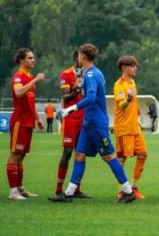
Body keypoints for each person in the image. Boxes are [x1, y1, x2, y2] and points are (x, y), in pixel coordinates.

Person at [50, 44, 136, 204]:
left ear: (82, 57)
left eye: (79, 56)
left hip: (96, 123)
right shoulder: (93, 73)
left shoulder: (90, 75)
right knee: (80, 155)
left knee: (109, 156)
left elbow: (90, 98)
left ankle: (128, 191)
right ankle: (68, 194)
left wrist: (68, 110)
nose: (77, 58)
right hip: (88, 123)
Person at [6, 48, 44, 200]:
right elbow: (18, 93)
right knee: (15, 154)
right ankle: (12, 191)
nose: (33, 60)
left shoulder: (29, 76)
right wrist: (35, 80)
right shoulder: (18, 77)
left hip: (28, 122)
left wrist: (38, 118)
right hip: (19, 121)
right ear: (21, 60)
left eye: (33, 58)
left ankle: (20, 188)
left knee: (21, 156)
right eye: (29, 58)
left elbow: (30, 101)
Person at [53, 50, 90, 198]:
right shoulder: (66, 74)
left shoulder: (89, 74)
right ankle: (58, 189)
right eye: (83, 57)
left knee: (81, 153)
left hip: (84, 118)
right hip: (71, 118)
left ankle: (76, 189)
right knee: (67, 152)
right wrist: (75, 90)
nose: (84, 59)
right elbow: (65, 98)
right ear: (77, 58)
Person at [113, 56, 146, 199]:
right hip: (123, 128)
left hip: (134, 127)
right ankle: (122, 190)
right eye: (132, 66)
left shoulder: (132, 82)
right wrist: (128, 99)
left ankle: (133, 187)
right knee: (122, 158)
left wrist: (137, 118)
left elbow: (133, 106)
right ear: (124, 68)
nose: (135, 68)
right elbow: (121, 106)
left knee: (143, 154)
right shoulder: (119, 85)